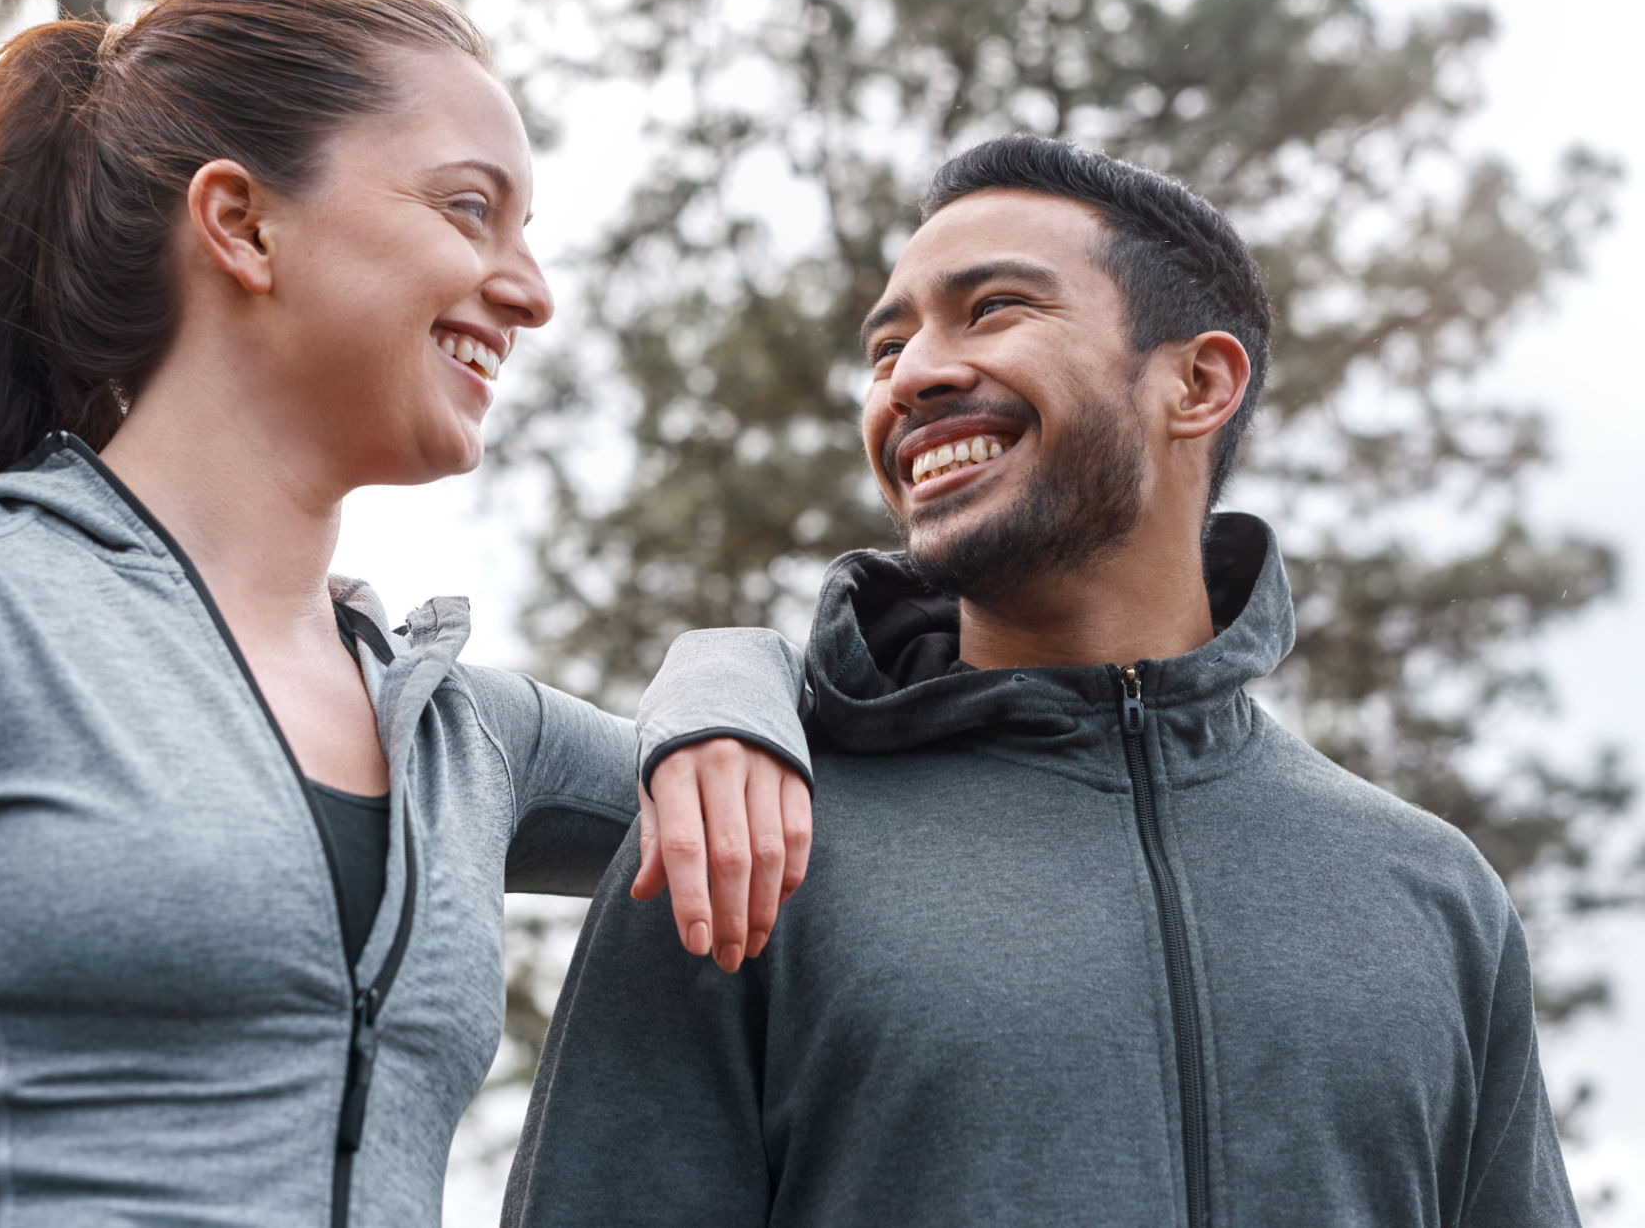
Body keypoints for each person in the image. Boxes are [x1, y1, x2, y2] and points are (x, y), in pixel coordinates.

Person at [0, 0, 819, 1228]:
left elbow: (766, 792)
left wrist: (724, 668)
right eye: (471, 211)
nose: (530, 290)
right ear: (242, 224)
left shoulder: (470, 737)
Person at [503, 134, 1579, 1227]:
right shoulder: (743, 844)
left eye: (993, 308)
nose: (910, 375)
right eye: (886, 348)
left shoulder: (1431, 894)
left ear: (1197, 381)